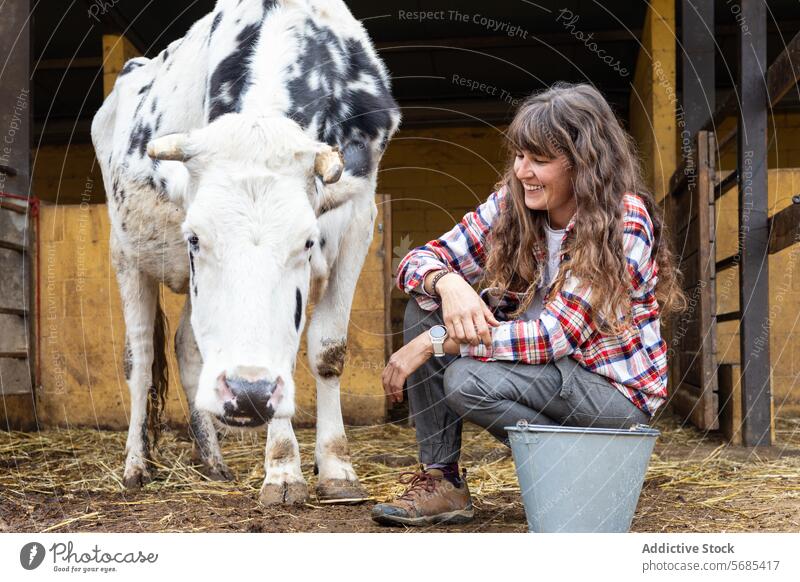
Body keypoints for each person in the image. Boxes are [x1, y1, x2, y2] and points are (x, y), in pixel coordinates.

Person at [373, 82, 686, 527]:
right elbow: (416, 261)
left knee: (466, 380)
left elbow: (554, 336)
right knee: (425, 305)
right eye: (520, 155)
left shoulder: (624, 219)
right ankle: (443, 481)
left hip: (611, 396)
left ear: (585, 164)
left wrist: (434, 343)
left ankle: (584, 470)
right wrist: (448, 283)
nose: (523, 171)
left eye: (540, 160)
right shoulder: (514, 202)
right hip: (545, 376)